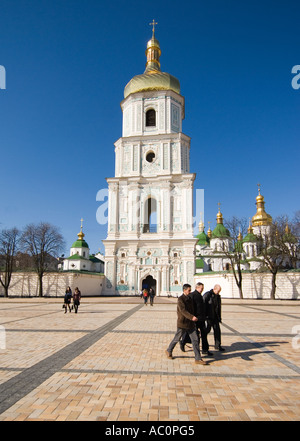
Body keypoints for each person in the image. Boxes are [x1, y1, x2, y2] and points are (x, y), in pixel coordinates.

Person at [166, 283, 207, 365]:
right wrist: (191, 317)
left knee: (195, 340)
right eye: (189, 290)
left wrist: (196, 316)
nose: (190, 291)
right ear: (184, 290)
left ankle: (198, 359)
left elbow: (193, 309)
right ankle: (169, 350)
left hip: (191, 324)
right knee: (177, 338)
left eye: (190, 290)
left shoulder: (190, 298)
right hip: (183, 323)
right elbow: (183, 311)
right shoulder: (181, 299)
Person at [180, 282, 212, 356]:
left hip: (201, 318)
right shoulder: (192, 295)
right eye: (201, 288)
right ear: (197, 287)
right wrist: (191, 317)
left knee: (204, 334)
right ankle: (183, 342)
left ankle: (205, 349)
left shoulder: (200, 296)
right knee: (193, 335)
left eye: (203, 288)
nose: (202, 289)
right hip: (195, 318)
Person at [203, 284, 225, 351]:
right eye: (218, 291)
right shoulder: (208, 295)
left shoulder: (218, 297)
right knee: (206, 330)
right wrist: (204, 316)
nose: (218, 293)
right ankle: (202, 343)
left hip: (215, 317)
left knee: (217, 331)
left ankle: (218, 345)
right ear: (214, 289)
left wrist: (219, 317)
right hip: (208, 317)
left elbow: (218, 308)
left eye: (219, 291)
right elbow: (203, 305)